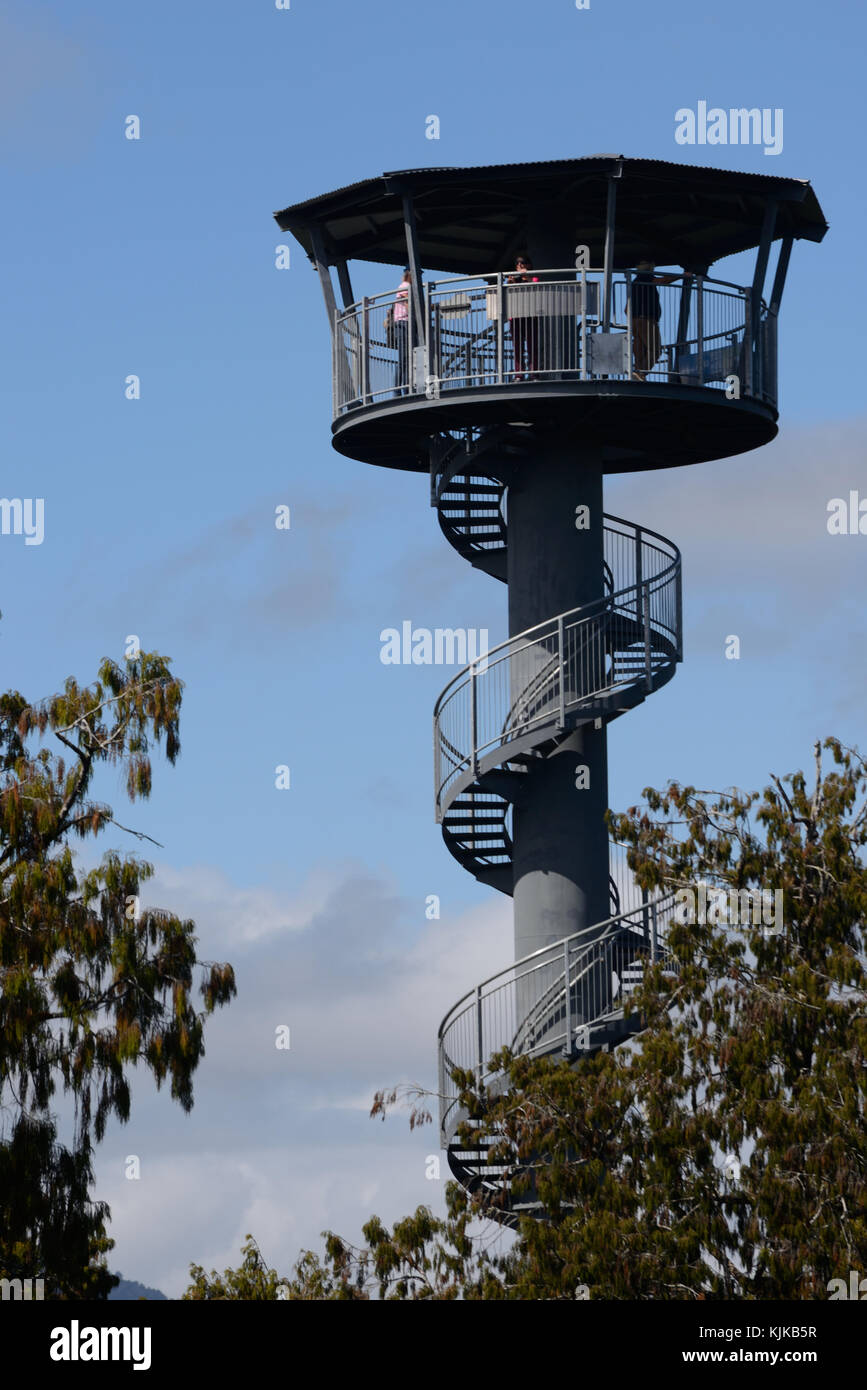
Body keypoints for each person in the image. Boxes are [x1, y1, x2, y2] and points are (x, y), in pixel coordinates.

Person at [628, 260, 678, 380]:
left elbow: (626, 309)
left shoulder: (635, 282)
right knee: (655, 349)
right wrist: (682, 276)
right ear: (650, 268)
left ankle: (637, 371)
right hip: (646, 319)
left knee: (640, 348)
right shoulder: (645, 277)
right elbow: (663, 280)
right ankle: (641, 373)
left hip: (634, 320)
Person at [507, 256, 539, 380]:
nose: (520, 265)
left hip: (531, 316)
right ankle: (519, 374)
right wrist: (511, 282)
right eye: (517, 263)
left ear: (529, 265)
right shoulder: (513, 279)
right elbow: (507, 292)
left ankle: (533, 373)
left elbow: (536, 286)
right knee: (517, 348)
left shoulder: (534, 277)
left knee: (532, 347)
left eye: (523, 263)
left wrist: (527, 277)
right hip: (515, 316)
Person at [392, 268, 412, 396]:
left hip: (405, 324)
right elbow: (406, 302)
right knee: (404, 358)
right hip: (403, 324)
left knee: (406, 358)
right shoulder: (406, 286)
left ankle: (405, 387)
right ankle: (400, 389)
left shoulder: (407, 286)